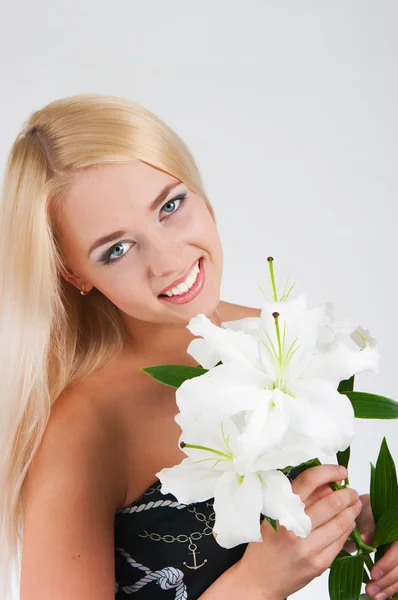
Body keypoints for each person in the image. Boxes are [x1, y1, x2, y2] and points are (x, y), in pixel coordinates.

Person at [0, 94, 383, 600]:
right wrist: (257, 584)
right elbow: (260, 568)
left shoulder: (280, 336)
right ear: (73, 274)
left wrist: (367, 523)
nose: (168, 261)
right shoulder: (83, 427)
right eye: (116, 249)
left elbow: (287, 522)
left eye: (170, 206)